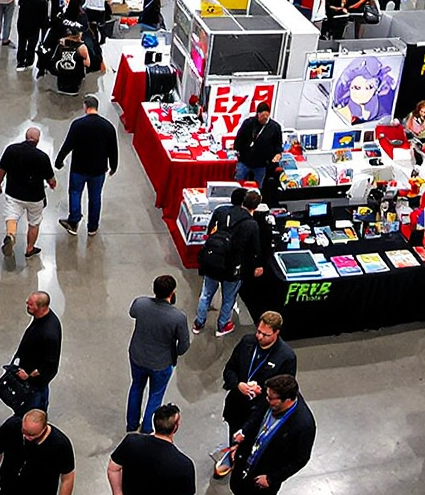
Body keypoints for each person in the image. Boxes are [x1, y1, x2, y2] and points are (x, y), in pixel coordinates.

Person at [211, 373, 315, 495]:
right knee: (241, 494)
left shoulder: (303, 424)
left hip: (265, 477)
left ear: (288, 399)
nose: (267, 401)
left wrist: (273, 478)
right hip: (246, 462)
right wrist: (244, 432)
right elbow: (257, 415)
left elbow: (301, 459)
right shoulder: (270, 402)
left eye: (272, 399)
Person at [213, 311, 296, 477]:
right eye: (258, 331)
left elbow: (286, 391)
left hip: (261, 411)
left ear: (276, 332)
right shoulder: (246, 343)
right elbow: (230, 369)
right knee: (235, 434)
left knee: (250, 440)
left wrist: (265, 392)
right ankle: (232, 455)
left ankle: (245, 462)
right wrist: (238, 385)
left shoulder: (286, 357)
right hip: (237, 404)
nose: (260, 336)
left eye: (265, 334)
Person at [124, 274, 191, 433]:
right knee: (155, 395)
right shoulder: (178, 317)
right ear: (172, 292)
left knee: (136, 386)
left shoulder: (140, 303)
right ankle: (147, 429)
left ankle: (132, 424)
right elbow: (183, 345)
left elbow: (132, 313)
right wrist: (175, 353)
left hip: (137, 356)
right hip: (161, 363)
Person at [195, 188, 264, 335]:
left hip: (213, 261)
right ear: (256, 207)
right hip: (232, 268)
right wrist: (257, 266)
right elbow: (255, 250)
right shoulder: (252, 224)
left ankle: (198, 323)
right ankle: (222, 326)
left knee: (206, 294)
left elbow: (210, 231)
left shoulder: (221, 211)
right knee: (228, 298)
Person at [54, 94, 119, 234]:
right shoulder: (108, 127)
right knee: (95, 197)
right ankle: (93, 227)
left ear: (85, 107)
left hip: (79, 168)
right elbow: (113, 149)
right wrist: (114, 166)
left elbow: (68, 145)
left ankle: (74, 222)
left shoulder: (78, 125)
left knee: (75, 193)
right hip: (99, 170)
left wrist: (59, 160)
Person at [0, 125, 57, 260]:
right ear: (37, 140)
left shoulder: (11, 150)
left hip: (13, 193)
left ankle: (11, 235)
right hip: (35, 197)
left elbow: (1, 170)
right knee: (34, 222)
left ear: (25, 137)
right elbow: (51, 179)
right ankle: (29, 248)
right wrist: (52, 184)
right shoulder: (42, 157)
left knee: (11, 216)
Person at [4, 291, 62, 413]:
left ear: (41, 307)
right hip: (30, 378)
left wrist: (29, 377)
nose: (27, 305)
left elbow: (50, 366)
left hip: (35, 386)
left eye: (30, 304)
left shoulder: (48, 333)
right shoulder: (41, 319)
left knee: (33, 412)